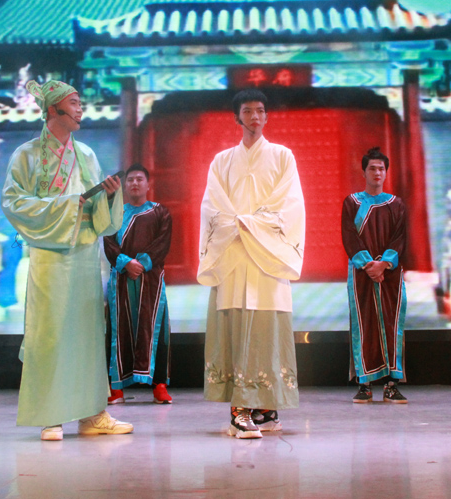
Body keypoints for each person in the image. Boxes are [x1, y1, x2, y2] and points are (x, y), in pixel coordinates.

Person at [2, 79, 132, 441]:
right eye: (73, 103)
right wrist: (67, 205)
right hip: (50, 257)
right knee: (51, 332)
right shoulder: (26, 155)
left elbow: (98, 213)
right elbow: (13, 202)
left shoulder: (86, 154)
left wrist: (108, 196)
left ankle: (93, 414)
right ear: (53, 110)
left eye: (79, 103)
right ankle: (51, 416)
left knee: (88, 334)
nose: (80, 109)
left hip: (85, 255)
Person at [198, 88, 306, 439]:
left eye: (260, 110)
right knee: (234, 327)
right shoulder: (222, 161)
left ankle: (264, 407)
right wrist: (239, 225)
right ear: (237, 117)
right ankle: (239, 411)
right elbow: (212, 207)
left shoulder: (282, 156)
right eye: (247, 111)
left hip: (267, 258)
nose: (255, 116)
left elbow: (289, 205)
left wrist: (250, 225)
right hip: (232, 256)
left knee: (267, 330)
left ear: (267, 116)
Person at [341, 147, 408, 404]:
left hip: (390, 274)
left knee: (392, 324)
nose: (377, 172)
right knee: (364, 324)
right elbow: (349, 236)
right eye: (372, 168)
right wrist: (368, 265)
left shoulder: (396, 204)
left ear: (386, 172)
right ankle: (364, 384)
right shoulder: (352, 202)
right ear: (364, 172)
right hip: (362, 273)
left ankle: (392, 384)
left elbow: (400, 237)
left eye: (381, 168)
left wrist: (384, 264)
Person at [103, 163, 174, 405]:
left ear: (148, 184)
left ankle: (160, 386)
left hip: (151, 281)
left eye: (139, 179)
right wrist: (125, 263)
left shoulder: (160, 212)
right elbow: (109, 243)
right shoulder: (116, 214)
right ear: (124, 185)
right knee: (118, 331)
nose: (135, 183)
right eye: (131, 179)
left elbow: (163, 243)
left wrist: (141, 264)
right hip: (122, 280)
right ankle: (116, 388)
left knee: (156, 330)